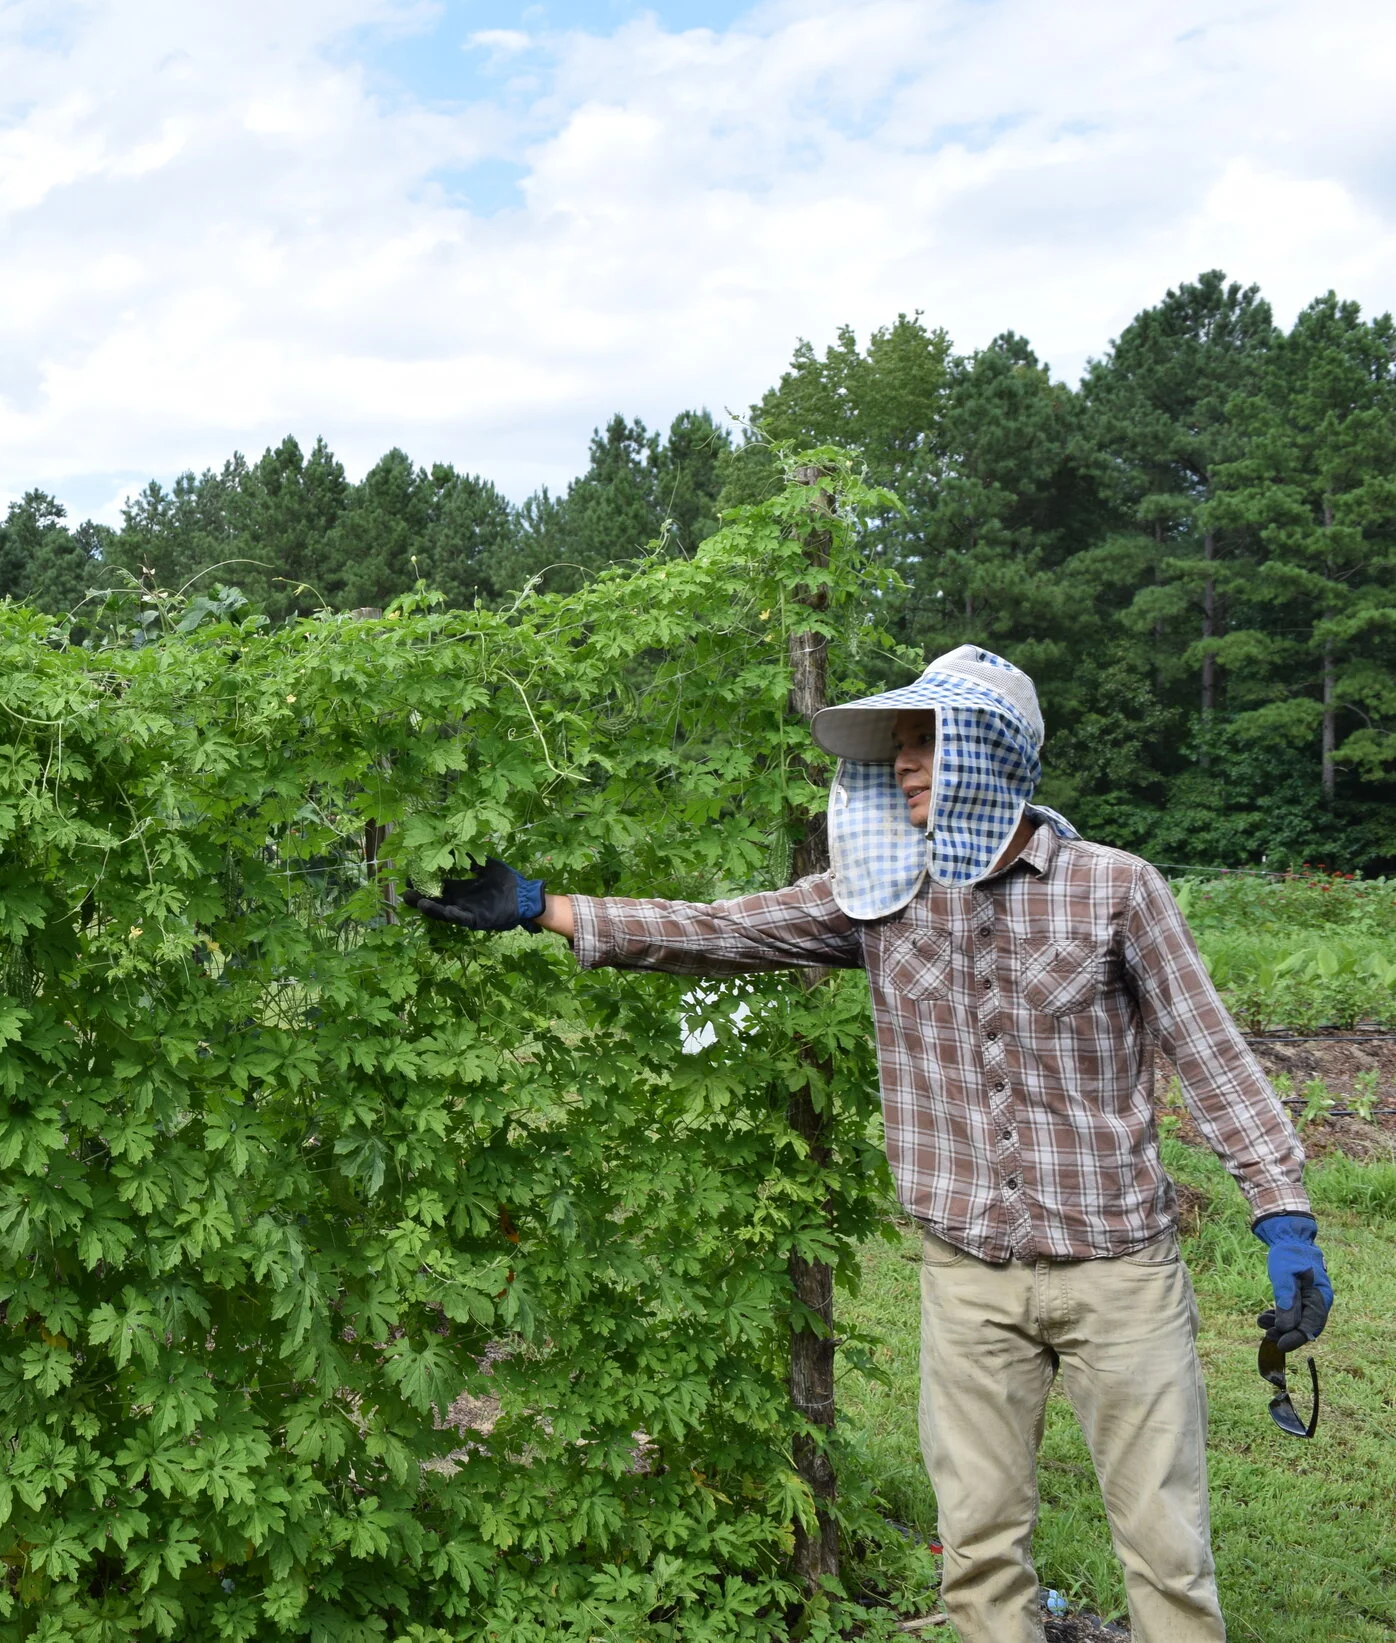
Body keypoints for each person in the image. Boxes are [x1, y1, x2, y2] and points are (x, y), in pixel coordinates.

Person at [410, 645, 1332, 1643]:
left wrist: (1281, 1214)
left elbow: (1214, 1055)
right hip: (967, 1276)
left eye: (925, 740)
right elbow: (720, 928)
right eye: (895, 746)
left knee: (1166, 1552)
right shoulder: (879, 897)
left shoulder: (1115, 889)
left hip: (1119, 1274)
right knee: (978, 1550)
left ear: (996, 752)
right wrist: (544, 908)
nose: (903, 764)